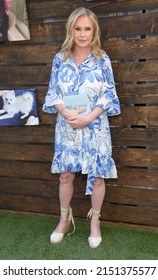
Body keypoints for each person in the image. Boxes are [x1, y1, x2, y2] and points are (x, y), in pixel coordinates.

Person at [42, 7, 121, 248]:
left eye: (87, 28)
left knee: (98, 178)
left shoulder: (102, 58)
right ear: (71, 30)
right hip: (67, 126)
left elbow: (109, 94)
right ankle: (64, 219)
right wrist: (65, 112)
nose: (83, 34)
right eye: (78, 28)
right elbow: (53, 92)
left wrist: (89, 118)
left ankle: (94, 221)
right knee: (65, 174)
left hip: (95, 127)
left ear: (94, 31)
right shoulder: (60, 58)